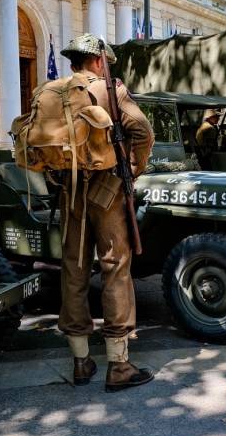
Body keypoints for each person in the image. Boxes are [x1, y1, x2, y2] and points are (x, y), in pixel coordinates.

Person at [57, 34, 155, 392]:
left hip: (70, 192)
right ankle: (119, 363)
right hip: (107, 188)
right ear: (99, 61)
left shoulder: (57, 91)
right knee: (115, 267)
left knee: (73, 268)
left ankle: (81, 360)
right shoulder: (111, 90)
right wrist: (130, 169)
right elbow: (143, 132)